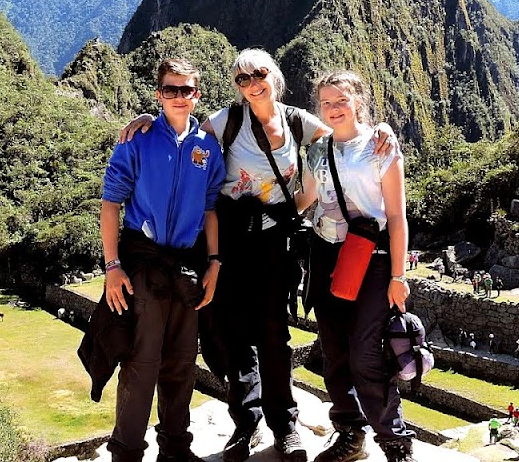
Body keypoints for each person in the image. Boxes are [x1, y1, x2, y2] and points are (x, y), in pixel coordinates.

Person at [120, 51, 397, 462]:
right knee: (234, 334)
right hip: (231, 239)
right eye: (242, 78)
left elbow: (345, 133)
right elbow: (183, 131)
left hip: (275, 241)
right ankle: (245, 422)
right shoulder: (227, 121)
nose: (252, 84)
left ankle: (284, 425)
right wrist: (147, 120)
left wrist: (381, 130)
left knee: (273, 332)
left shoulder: (299, 122)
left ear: (274, 76)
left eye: (259, 74)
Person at [98, 59, 226, 462]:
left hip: (187, 265)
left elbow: (210, 209)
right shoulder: (138, 140)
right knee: (141, 362)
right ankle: (127, 452)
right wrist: (112, 266)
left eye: (187, 90)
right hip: (145, 263)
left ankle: (175, 447)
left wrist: (214, 262)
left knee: (182, 361)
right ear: (159, 94)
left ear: (197, 94)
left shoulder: (208, 148)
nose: (179, 97)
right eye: (171, 89)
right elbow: (111, 203)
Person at [294, 71, 414, 462]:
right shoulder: (317, 151)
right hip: (326, 255)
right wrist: (255, 204)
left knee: (366, 353)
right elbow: (305, 198)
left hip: (371, 259)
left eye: (341, 100)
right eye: (326, 103)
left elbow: (396, 216)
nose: (333, 109)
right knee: (334, 350)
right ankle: (349, 434)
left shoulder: (380, 146)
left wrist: (398, 276)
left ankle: (395, 442)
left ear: (358, 101)